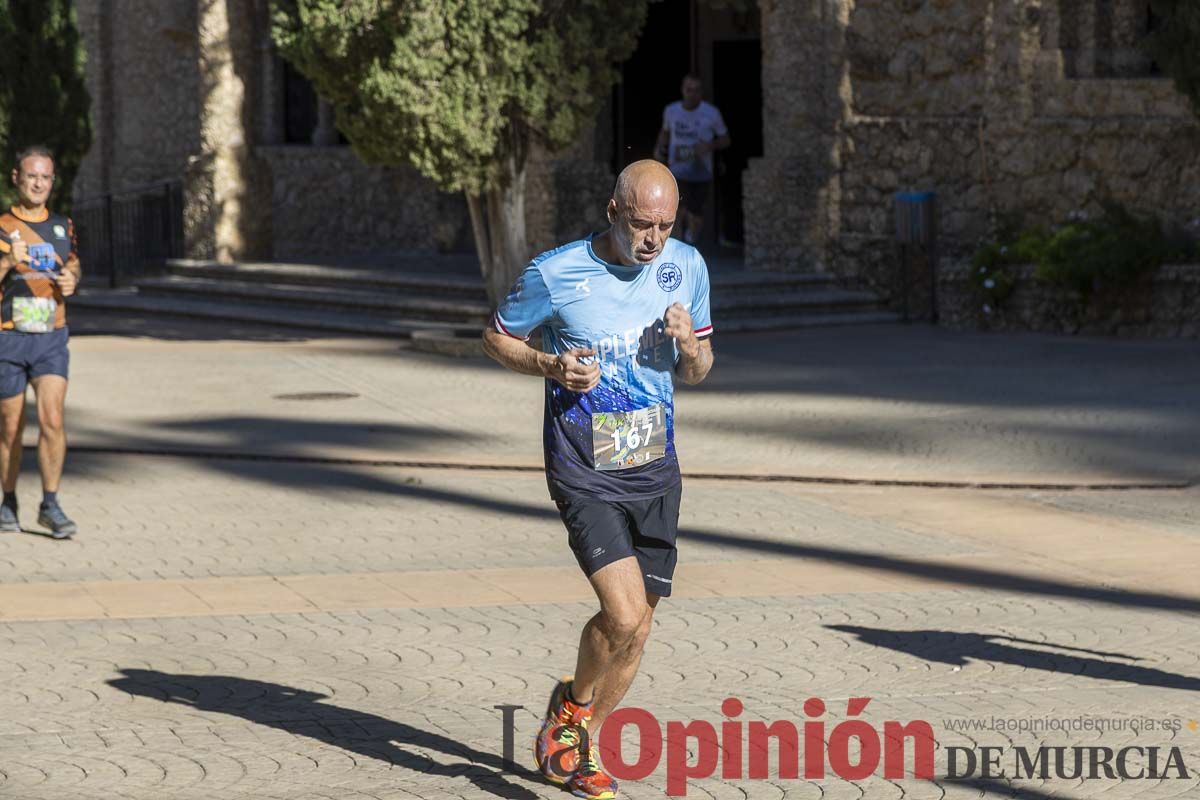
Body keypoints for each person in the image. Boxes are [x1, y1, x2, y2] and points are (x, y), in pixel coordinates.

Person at [482, 159, 714, 799]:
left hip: (655, 467)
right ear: (614, 212)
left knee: (638, 629)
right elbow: (495, 338)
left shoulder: (686, 267)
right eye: (642, 225)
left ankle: (577, 736)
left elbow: (699, 368)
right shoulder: (555, 272)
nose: (653, 240)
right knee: (624, 610)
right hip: (585, 468)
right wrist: (550, 365)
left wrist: (690, 347)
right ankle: (571, 718)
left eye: (665, 226)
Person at [0, 146, 82, 539]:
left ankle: (50, 504)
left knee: (52, 419)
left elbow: (72, 264)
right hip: (8, 338)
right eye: (32, 175)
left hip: (51, 335)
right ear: (16, 177)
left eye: (45, 177)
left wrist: (72, 279)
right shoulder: (1, 226)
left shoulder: (63, 225)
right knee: (11, 427)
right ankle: (8, 500)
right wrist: (5, 261)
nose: (38, 183)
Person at [655, 73, 731, 247]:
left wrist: (709, 146)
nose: (692, 94)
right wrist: (659, 149)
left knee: (695, 213)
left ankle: (691, 239)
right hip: (676, 170)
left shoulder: (711, 113)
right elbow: (665, 132)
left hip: (701, 171)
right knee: (677, 210)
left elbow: (726, 139)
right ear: (683, 90)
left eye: (696, 90)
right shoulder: (671, 111)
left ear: (701, 92)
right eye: (689, 90)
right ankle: (675, 246)